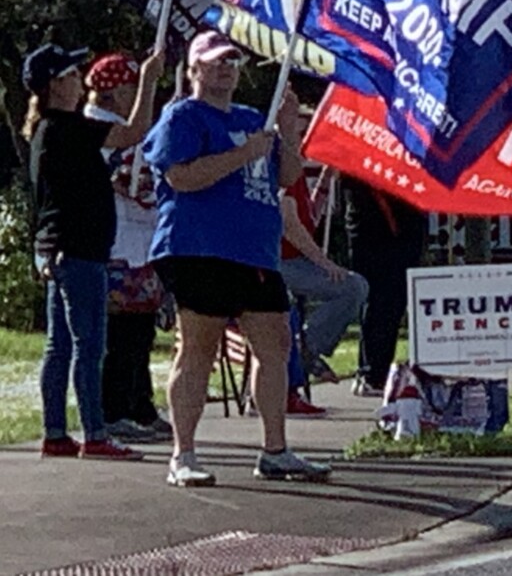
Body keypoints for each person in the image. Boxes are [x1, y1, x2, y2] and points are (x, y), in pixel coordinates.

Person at [144, 30, 330, 487]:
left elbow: (286, 176)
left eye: (232, 61)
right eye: (215, 61)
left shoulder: (252, 118)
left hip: (255, 252)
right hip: (200, 247)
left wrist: (286, 130)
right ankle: (183, 454)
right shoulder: (183, 116)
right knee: (198, 349)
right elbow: (181, 177)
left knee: (276, 346)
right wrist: (241, 153)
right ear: (194, 69)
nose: (226, 67)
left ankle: (275, 449)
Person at [23, 42, 162, 461]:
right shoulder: (69, 128)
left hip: (56, 247)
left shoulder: (46, 131)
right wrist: (151, 81)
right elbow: (134, 130)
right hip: (78, 248)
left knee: (60, 344)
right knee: (89, 343)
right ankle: (95, 432)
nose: (77, 80)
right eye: (68, 75)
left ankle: (56, 431)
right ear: (54, 85)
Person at [82, 53, 172, 443]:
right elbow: (122, 173)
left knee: (140, 331)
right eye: (133, 89)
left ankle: (139, 403)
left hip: (141, 243)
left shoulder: (124, 128)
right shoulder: (96, 127)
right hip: (116, 241)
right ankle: (114, 407)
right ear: (116, 92)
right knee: (120, 334)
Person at [279, 161, 368, 413]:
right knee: (351, 287)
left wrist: (325, 182)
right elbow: (289, 225)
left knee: (355, 286)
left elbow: (309, 221)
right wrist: (325, 263)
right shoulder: (281, 167)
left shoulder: (296, 175)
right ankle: (306, 347)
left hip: (294, 261)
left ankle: (307, 346)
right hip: (278, 261)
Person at [341, 176, 426, 396]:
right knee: (382, 302)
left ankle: (372, 371)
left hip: (393, 225)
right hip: (383, 228)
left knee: (386, 304)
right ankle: (372, 374)